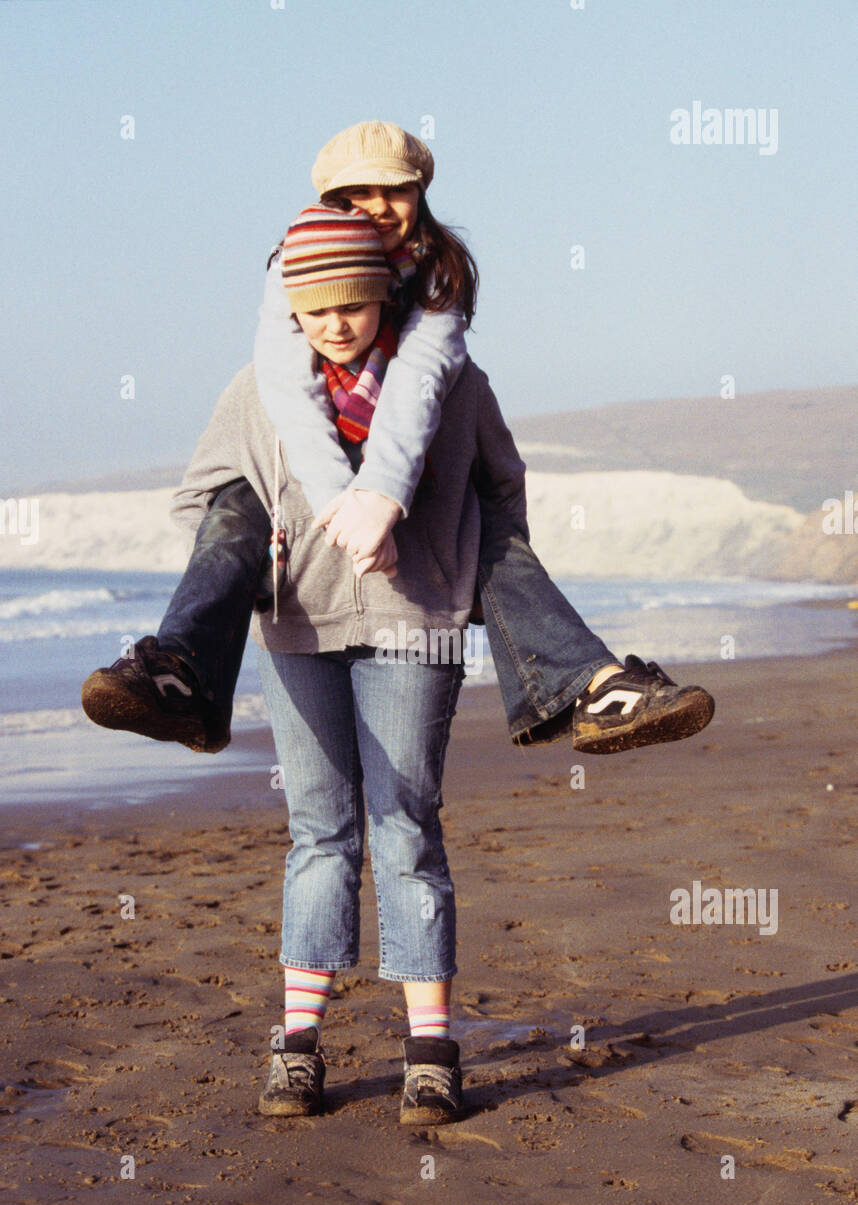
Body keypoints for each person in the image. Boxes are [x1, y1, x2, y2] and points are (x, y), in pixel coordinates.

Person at [81, 120, 714, 759]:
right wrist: (312, 530)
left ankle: (595, 687)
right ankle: (177, 670)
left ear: (421, 195)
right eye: (355, 195)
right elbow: (285, 399)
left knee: (483, 527)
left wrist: (400, 518)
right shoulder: (286, 283)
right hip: (311, 577)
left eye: (395, 191)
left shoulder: (437, 285)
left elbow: (421, 396)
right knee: (238, 505)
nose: (378, 207)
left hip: (414, 585)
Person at [171, 203, 535, 1121]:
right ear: (291, 304)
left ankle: (429, 1053)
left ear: (385, 294)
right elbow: (205, 507)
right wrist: (265, 575)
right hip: (297, 632)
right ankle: (297, 1047)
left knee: (406, 826)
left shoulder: (449, 380)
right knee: (319, 833)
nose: (335, 321)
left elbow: (503, 485)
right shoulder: (259, 391)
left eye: (354, 302)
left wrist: (468, 580)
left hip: (416, 627)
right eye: (315, 305)